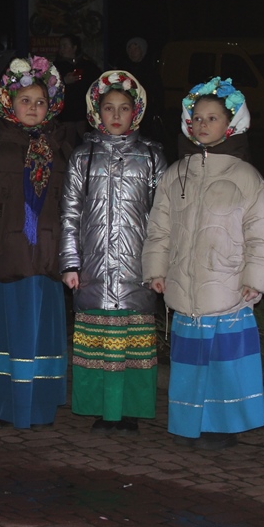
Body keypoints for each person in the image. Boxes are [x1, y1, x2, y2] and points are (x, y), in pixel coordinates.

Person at [143, 77, 264, 449]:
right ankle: (189, 423)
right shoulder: (176, 174)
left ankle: (223, 426)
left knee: (225, 366)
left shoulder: (246, 177)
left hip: (228, 289)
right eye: (197, 118)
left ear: (231, 124)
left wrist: (256, 278)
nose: (203, 124)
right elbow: (159, 228)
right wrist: (156, 269)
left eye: (213, 118)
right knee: (189, 366)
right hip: (186, 289)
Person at [59, 70, 167, 435]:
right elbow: (70, 214)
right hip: (94, 269)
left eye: (123, 108)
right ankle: (101, 410)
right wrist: (70, 263)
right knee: (99, 345)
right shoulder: (83, 157)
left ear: (136, 112)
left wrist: (159, 267)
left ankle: (130, 411)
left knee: (132, 346)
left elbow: (164, 217)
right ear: (96, 111)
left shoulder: (151, 156)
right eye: (109, 108)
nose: (116, 115)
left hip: (138, 269)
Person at [0, 56, 71, 430]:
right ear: (9, 103)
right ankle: (7, 403)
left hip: (47, 260)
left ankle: (40, 404)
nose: (33, 107)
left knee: (43, 334)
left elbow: (72, 208)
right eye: (25, 100)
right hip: (7, 260)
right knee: (8, 332)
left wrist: (72, 259)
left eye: (40, 101)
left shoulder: (60, 148)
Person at [53, 33, 100, 144]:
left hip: (84, 112)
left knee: (87, 142)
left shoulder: (88, 65)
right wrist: (64, 81)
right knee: (67, 144)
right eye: (60, 46)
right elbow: (48, 87)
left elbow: (98, 83)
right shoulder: (55, 66)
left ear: (74, 47)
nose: (61, 49)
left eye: (65, 45)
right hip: (66, 113)